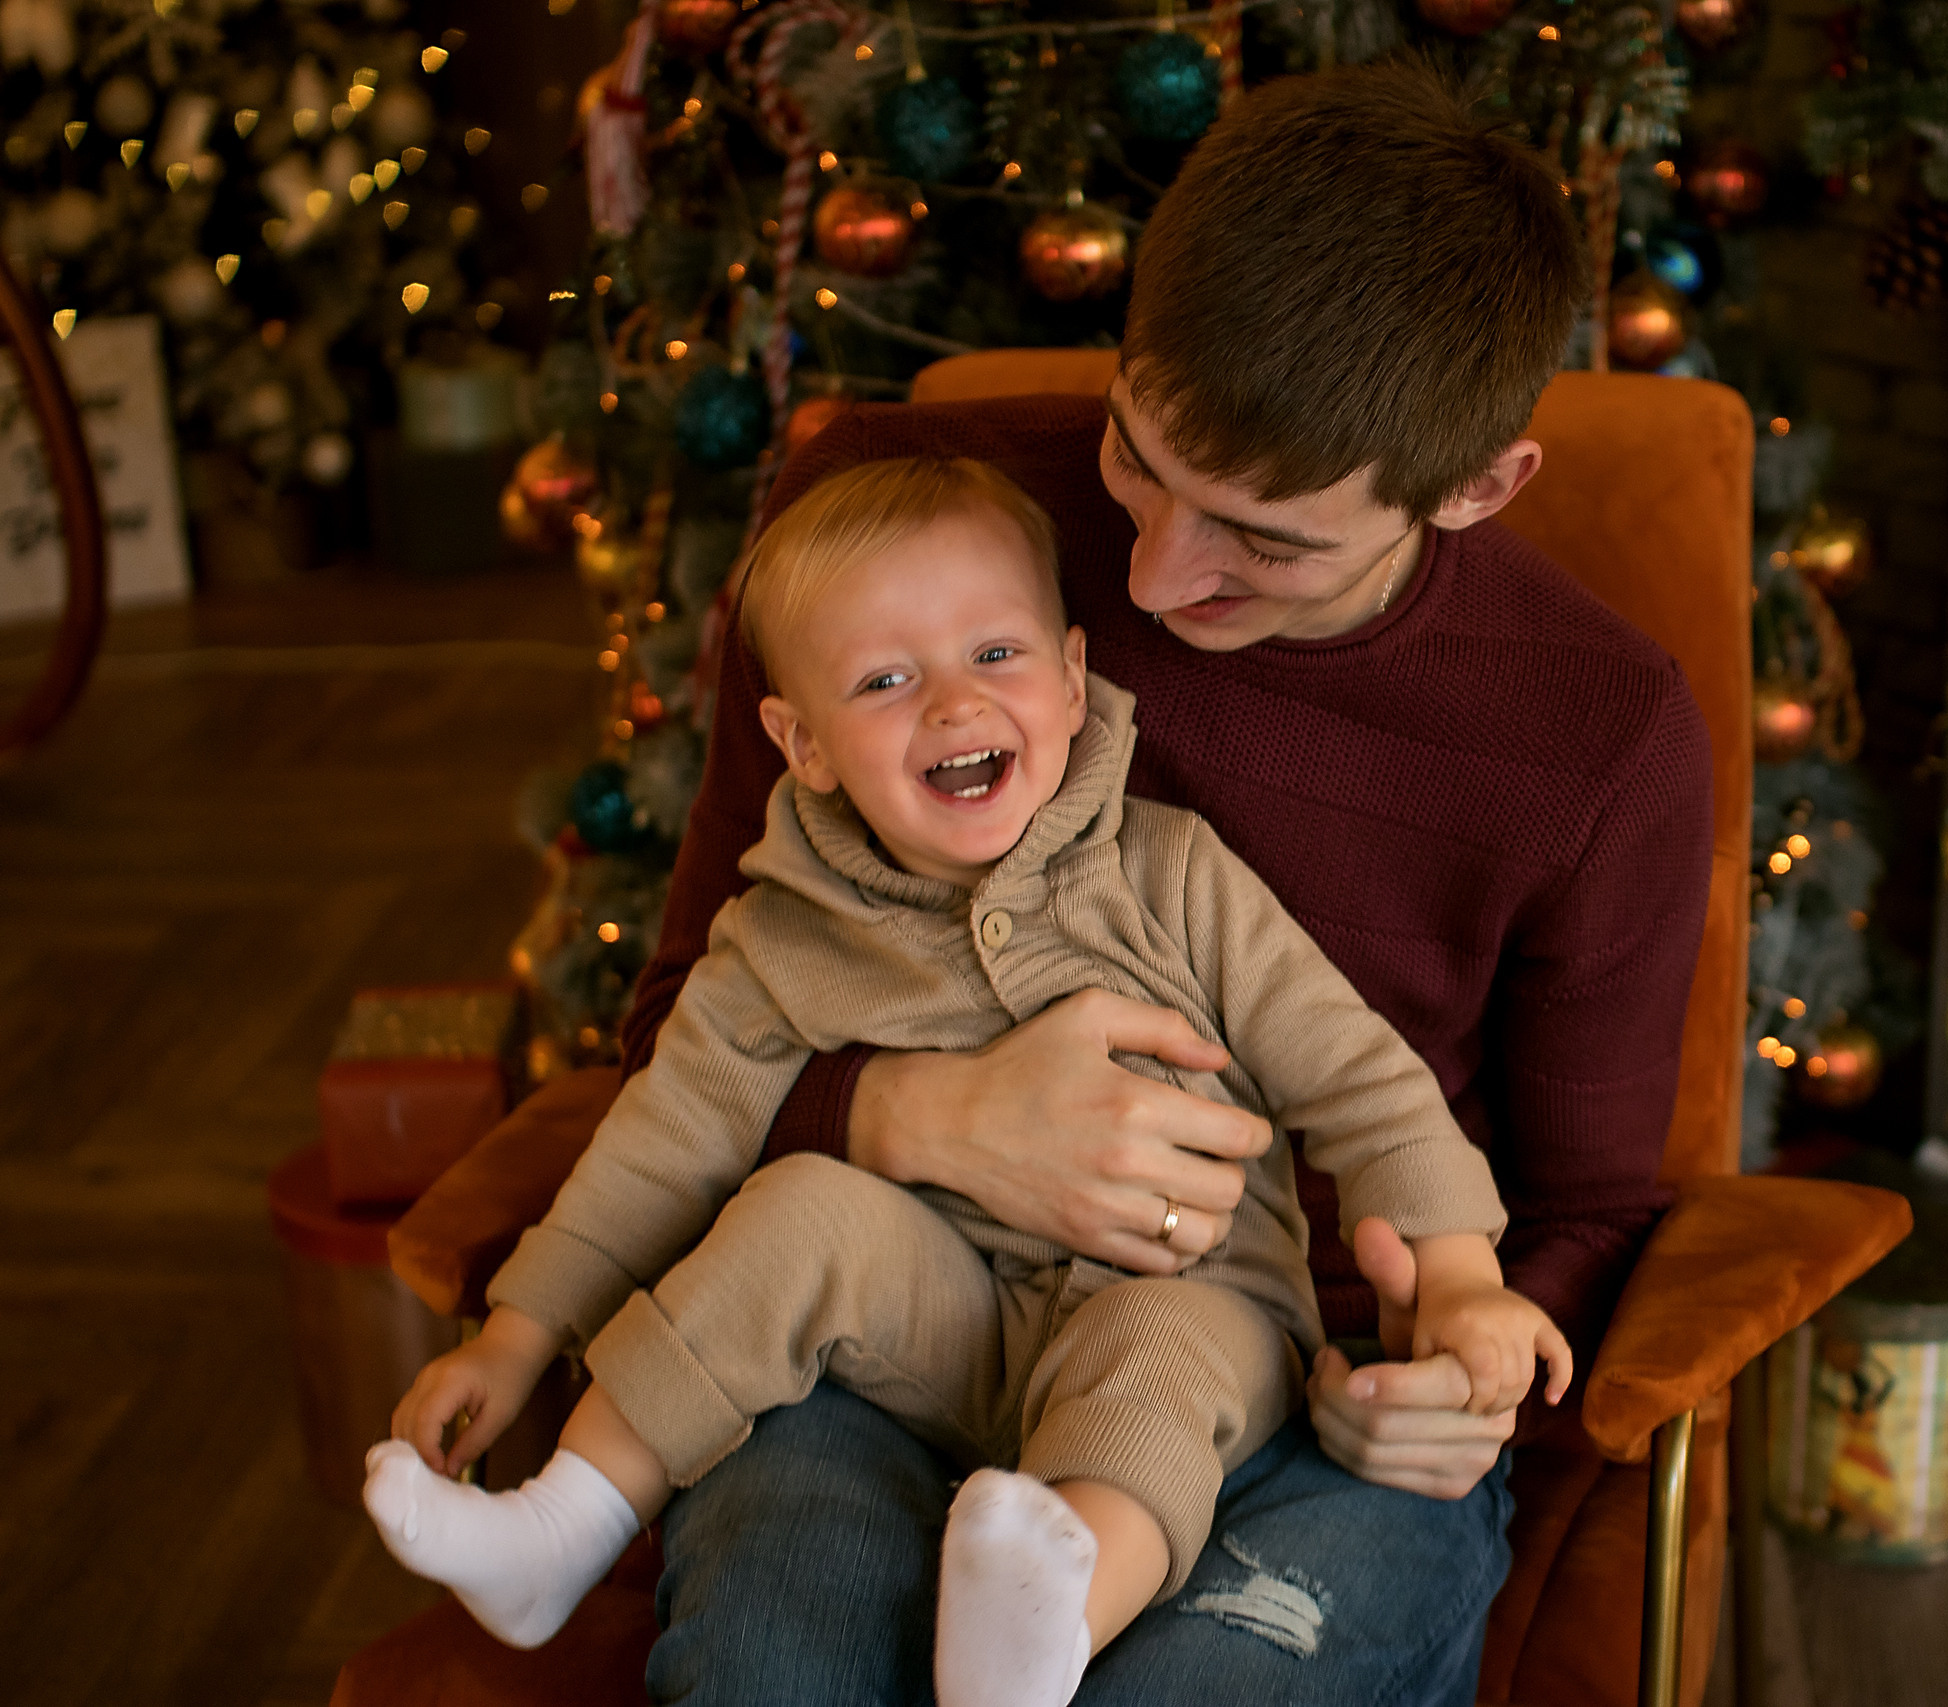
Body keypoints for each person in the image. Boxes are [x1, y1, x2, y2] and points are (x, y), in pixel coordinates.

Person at [580, 59, 1709, 1706]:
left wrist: (1478, 1351)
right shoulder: (913, 532)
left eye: (1263, 537)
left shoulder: (1603, 732)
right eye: (1134, 458)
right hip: (897, 1326)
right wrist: (918, 1119)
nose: (1156, 579)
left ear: (1474, 489)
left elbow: (1595, 1207)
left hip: (1315, 1399)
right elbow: (686, 1016)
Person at [361, 456, 1571, 1707]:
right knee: (795, 1216)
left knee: (1157, 1349)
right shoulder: (784, 931)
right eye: (884, 680)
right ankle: (564, 1525)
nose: (950, 704)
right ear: (804, 744)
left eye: (995, 655)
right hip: (934, 1332)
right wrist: (516, 1339)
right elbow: (662, 1143)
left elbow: (1360, 1081)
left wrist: (1465, 1280)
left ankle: (1040, 1638)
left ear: (1071, 673)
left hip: (1192, 1298)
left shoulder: (1170, 874)